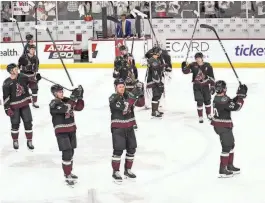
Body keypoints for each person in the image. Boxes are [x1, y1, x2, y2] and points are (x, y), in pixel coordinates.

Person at [109, 78, 145, 183]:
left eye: (123, 86)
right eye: (120, 86)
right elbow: (124, 107)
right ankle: (115, 171)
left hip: (129, 127)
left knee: (132, 149)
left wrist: (140, 92)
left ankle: (127, 170)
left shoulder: (129, 95)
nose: (122, 88)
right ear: (115, 87)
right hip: (118, 127)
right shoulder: (113, 98)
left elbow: (141, 104)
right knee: (118, 150)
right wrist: (133, 95)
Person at [49, 84, 84, 186]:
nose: (62, 93)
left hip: (71, 129)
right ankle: (67, 174)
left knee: (71, 152)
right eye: (59, 92)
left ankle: (69, 172)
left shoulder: (67, 100)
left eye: (62, 91)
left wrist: (80, 97)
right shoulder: (54, 103)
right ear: (55, 93)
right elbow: (66, 108)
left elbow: (79, 107)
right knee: (67, 152)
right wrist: (73, 98)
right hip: (61, 131)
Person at [211, 80, 248, 178]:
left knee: (231, 144)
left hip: (222, 125)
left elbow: (229, 102)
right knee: (227, 146)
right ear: (223, 89)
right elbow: (236, 107)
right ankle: (223, 170)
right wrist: (241, 97)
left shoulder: (219, 98)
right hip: (222, 126)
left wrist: (238, 95)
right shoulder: (223, 100)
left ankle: (229, 165)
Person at [2, 63, 41, 150]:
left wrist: (36, 80)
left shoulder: (22, 76)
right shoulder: (6, 83)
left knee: (28, 123)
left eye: (17, 68)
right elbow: (6, 97)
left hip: (24, 104)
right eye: (15, 69)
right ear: (11, 71)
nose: (17, 70)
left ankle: (29, 141)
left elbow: (31, 83)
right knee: (15, 124)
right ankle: (15, 140)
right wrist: (7, 108)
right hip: (14, 107)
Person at [181, 52, 215, 123]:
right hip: (197, 86)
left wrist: (212, 86)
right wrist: (184, 66)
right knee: (199, 101)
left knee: (207, 100)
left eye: (199, 58)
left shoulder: (208, 66)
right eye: (196, 58)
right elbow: (186, 71)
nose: (198, 60)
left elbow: (211, 77)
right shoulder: (193, 65)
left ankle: (209, 114)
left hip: (205, 85)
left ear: (202, 58)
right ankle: (200, 116)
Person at [145, 47, 166, 117]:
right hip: (154, 80)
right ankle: (154, 112)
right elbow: (155, 72)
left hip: (156, 80)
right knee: (156, 95)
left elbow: (157, 69)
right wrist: (158, 83)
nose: (160, 54)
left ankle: (156, 110)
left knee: (158, 94)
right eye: (159, 52)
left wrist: (162, 66)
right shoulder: (152, 60)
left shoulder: (156, 60)